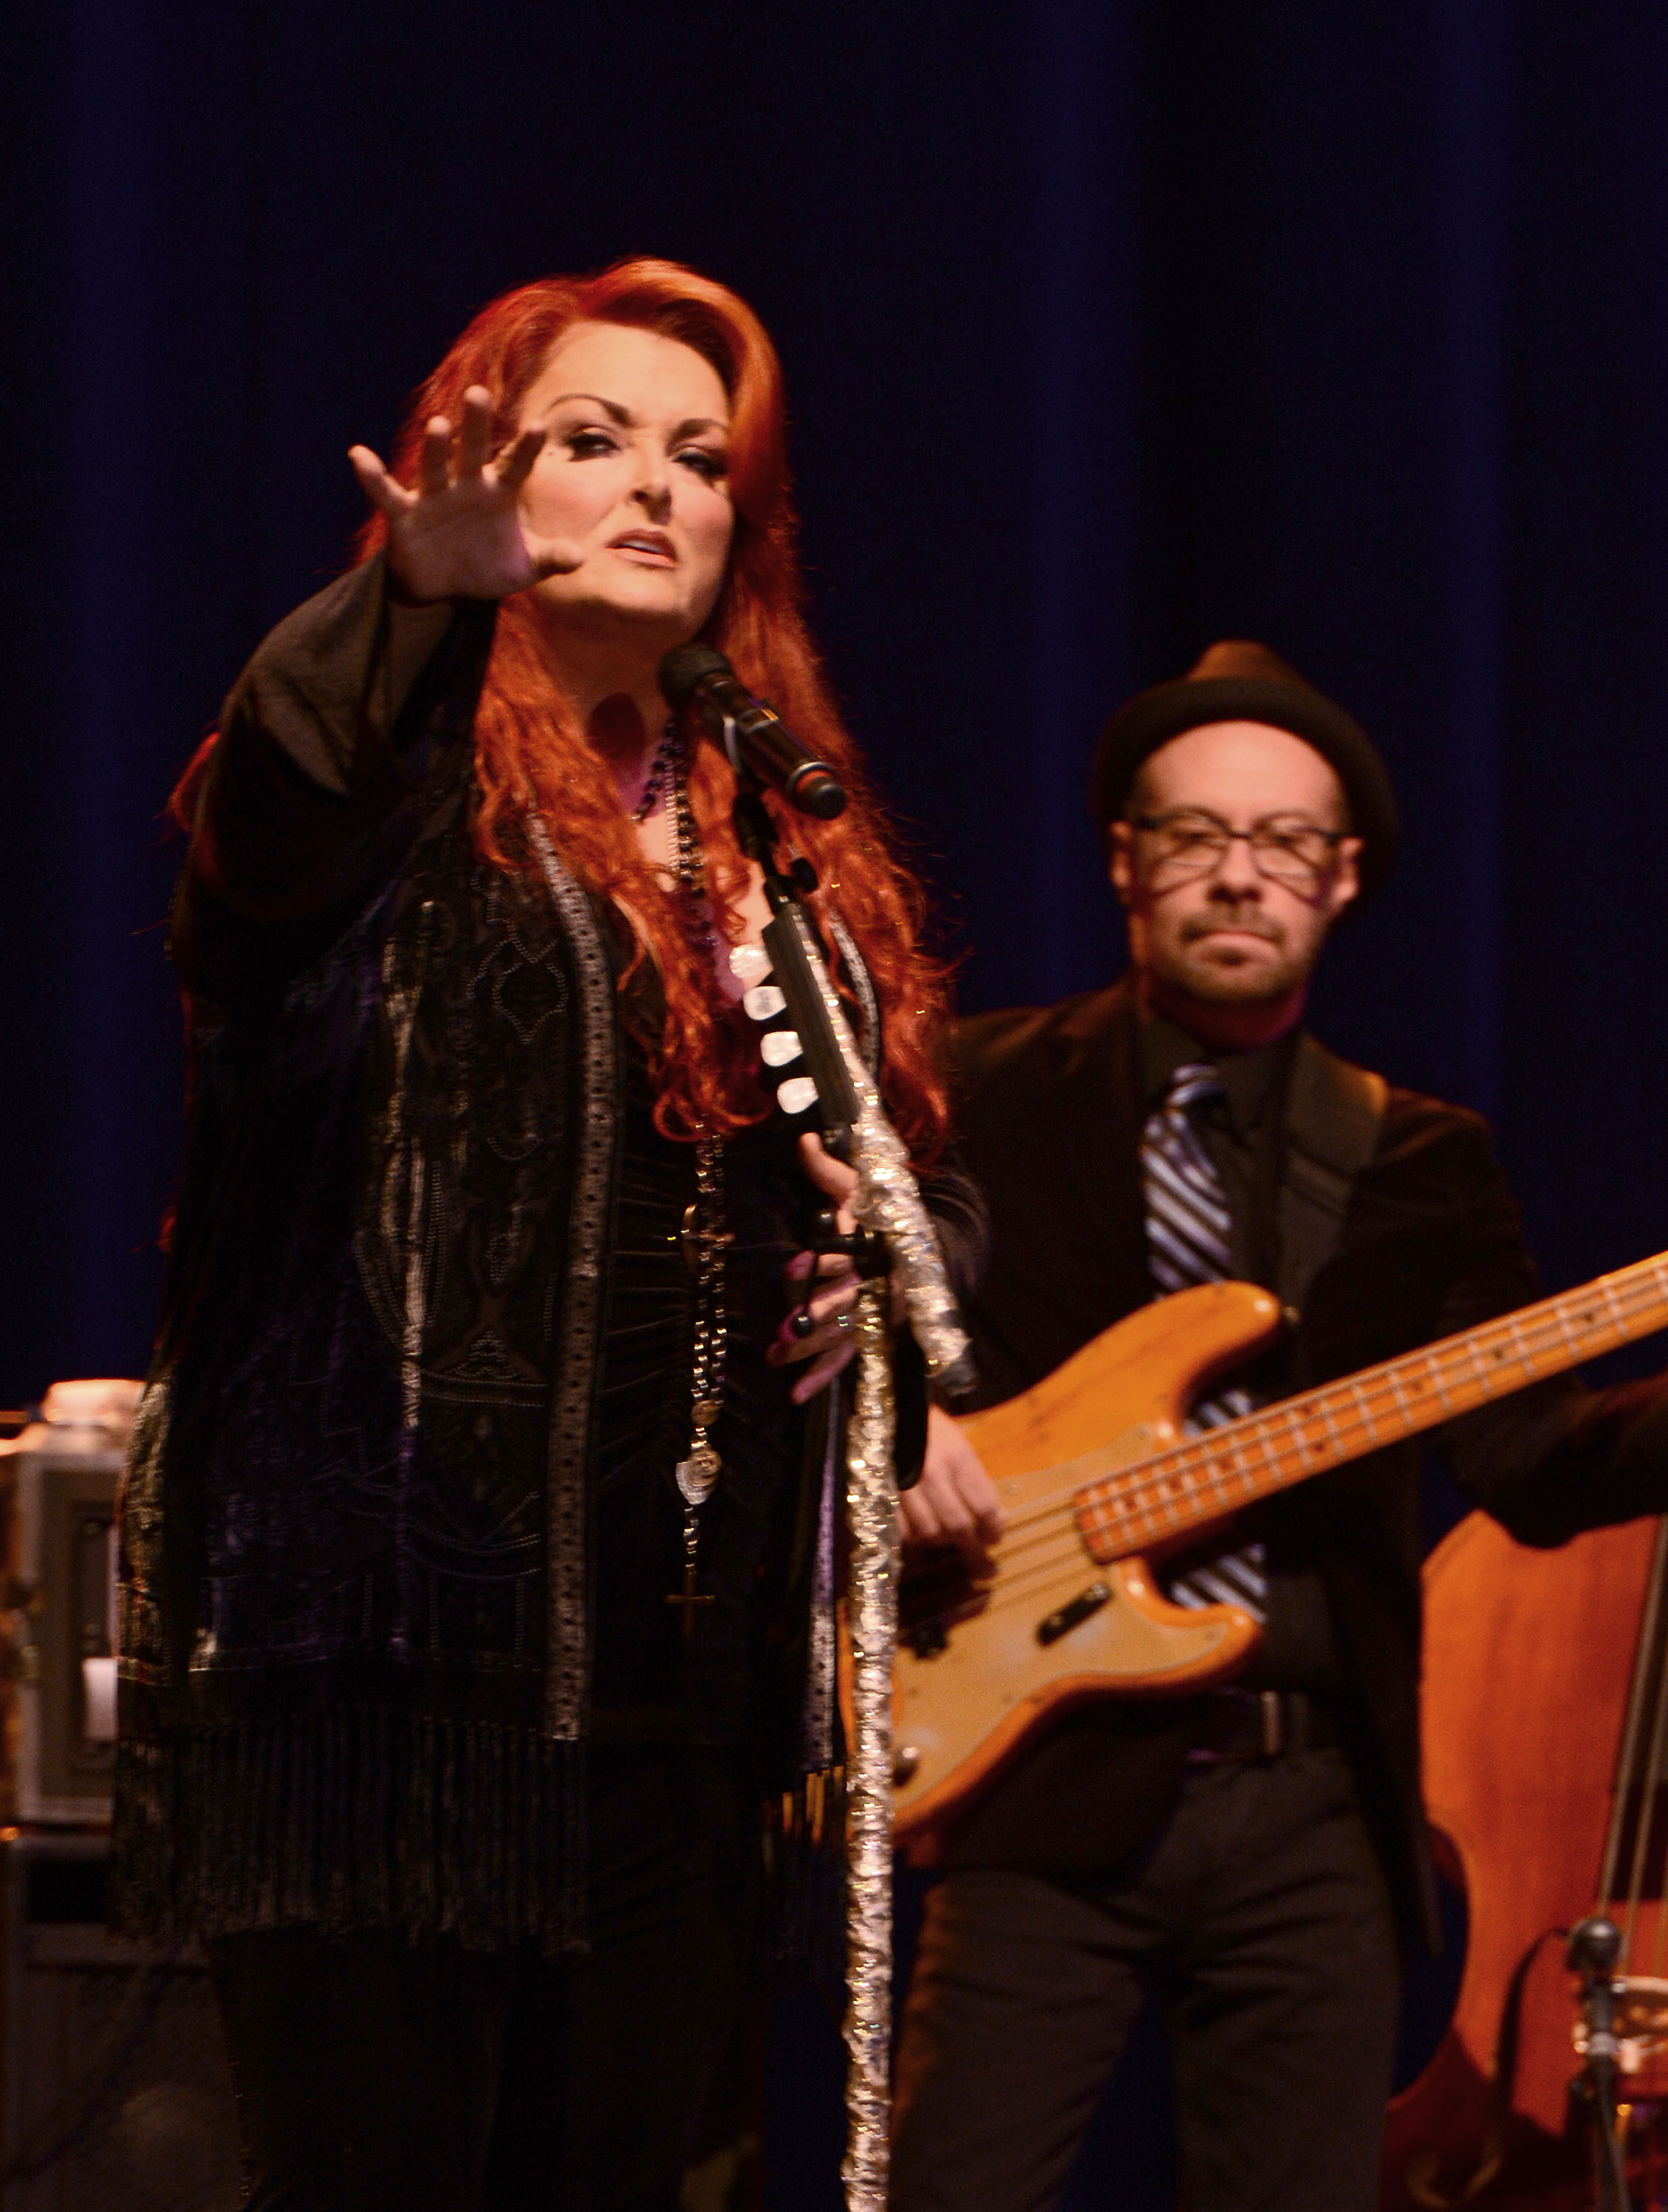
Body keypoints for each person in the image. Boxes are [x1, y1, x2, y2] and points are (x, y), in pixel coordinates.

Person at [113, 258, 983, 2212]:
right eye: (592, 442)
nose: (656, 487)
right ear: (483, 469)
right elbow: (261, 851)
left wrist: (887, 1282)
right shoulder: (395, 798)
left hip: (676, 1715)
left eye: (698, 459)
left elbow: (920, 1184)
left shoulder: (773, 857)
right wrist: (415, 601)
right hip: (391, 1690)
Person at [888, 641, 1668, 2212]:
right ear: (1126, 859)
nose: (1240, 879)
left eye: (1284, 845)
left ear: (1343, 878)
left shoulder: (1418, 1160)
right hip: (1033, 1784)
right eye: (1197, 837)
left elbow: (1532, 1470)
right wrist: (902, 1429)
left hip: (1312, 1810)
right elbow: (827, 1333)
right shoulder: (973, 1095)